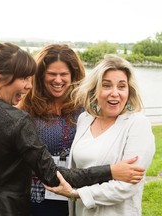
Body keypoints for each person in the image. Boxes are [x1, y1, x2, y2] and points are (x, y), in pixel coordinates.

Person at [0, 41, 145, 216]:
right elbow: (52, 175)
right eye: (24, 79)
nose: (29, 85)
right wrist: (110, 171)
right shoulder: (17, 118)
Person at [44, 54, 156, 216]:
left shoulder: (137, 124)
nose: (115, 93)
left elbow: (127, 186)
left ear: (129, 90)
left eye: (121, 86)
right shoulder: (85, 119)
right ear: (95, 89)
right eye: (107, 85)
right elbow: (77, 170)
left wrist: (77, 194)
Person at [19, 44, 85, 216]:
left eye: (64, 74)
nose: (58, 80)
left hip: (76, 192)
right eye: (52, 74)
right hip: (37, 197)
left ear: (73, 75)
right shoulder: (26, 107)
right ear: (40, 75)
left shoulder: (85, 107)